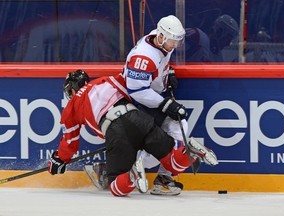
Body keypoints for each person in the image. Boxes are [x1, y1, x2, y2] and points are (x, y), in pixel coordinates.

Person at [48, 69, 218, 197]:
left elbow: (69, 143)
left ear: (71, 90)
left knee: (115, 185)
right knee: (171, 162)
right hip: (138, 117)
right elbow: (137, 80)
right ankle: (190, 150)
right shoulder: (108, 80)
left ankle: (131, 175)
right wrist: (166, 72)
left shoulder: (72, 106)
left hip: (115, 131)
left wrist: (58, 160)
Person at [121, 15, 214, 196]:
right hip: (137, 102)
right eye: (173, 41)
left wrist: (167, 71)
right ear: (162, 36)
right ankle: (129, 167)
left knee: (181, 128)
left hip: (153, 97)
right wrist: (165, 104)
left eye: (178, 41)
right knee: (156, 145)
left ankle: (163, 177)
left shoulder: (161, 40)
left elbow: (160, 63)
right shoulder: (143, 56)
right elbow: (136, 91)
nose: (176, 45)